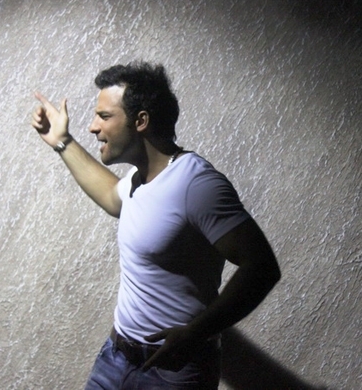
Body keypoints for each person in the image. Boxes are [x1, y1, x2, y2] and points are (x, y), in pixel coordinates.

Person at [31, 61, 281, 389]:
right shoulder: (139, 180)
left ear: (141, 121)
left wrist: (197, 332)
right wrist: (62, 141)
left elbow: (261, 267)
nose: (93, 127)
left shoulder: (196, 184)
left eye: (104, 116)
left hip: (173, 373)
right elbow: (111, 195)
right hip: (115, 357)